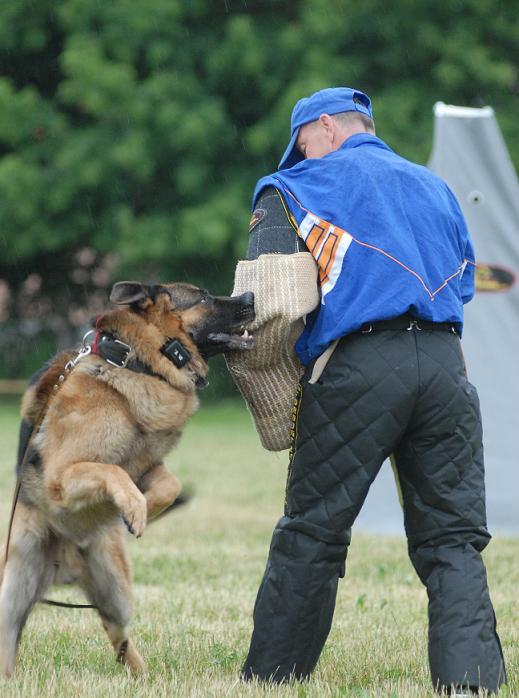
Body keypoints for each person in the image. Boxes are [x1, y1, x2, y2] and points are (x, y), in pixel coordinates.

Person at [234, 87, 506, 694]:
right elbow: (464, 284)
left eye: (302, 141)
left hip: (359, 363)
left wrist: (272, 387)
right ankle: (473, 682)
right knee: (452, 538)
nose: (299, 155)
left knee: (314, 528)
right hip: (444, 367)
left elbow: (271, 303)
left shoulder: (295, 187)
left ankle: (273, 677)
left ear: (325, 127)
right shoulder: (433, 186)